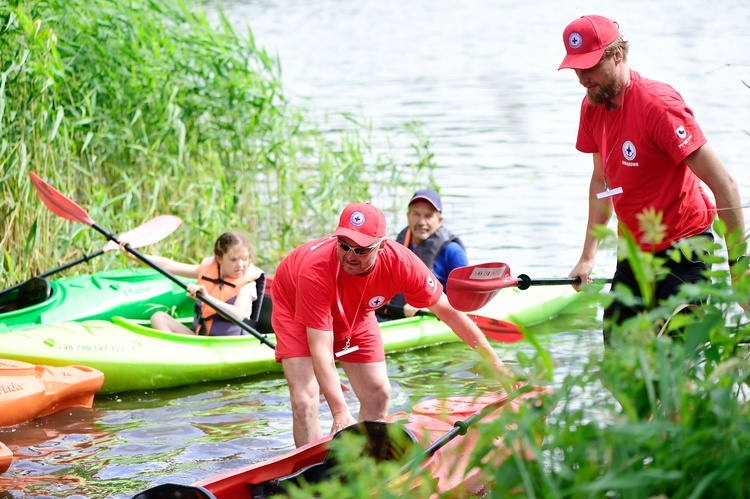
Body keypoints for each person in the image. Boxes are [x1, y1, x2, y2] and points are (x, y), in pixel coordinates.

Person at [558, 15, 747, 341]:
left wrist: (738, 268)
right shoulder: (592, 106)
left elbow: (724, 184)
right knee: (621, 374)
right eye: (576, 69)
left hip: (684, 248)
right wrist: (587, 257)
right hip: (634, 251)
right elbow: (600, 182)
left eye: (589, 67)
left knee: (673, 373)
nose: (582, 79)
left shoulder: (658, 106)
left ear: (617, 55)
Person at [271, 202, 513, 447]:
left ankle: (364, 460)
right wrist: (340, 412)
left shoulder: (403, 264)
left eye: (361, 250)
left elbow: (450, 314)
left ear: (382, 246)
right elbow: (321, 350)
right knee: (305, 400)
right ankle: (311, 478)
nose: (350, 256)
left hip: (357, 309)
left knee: (378, 393)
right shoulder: (314, 271)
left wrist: (497, 364)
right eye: (344, 246)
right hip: (294, 304)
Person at [119, 231, 264, 336]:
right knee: (158, 317)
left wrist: (207, 298)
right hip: (200, 338)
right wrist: (136, 257)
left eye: (245, 259)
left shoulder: (247, 284)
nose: (240, 265)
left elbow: (238, 314)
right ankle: (174, 354)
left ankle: (176, 353)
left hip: (228, 345)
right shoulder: (208, 270)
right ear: (219, 258)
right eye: (233, 259)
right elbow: (170, 266)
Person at [376, 189, 468, 320]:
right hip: (389, 314)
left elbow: (463, 299)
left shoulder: (453, 252)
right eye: (416, 214)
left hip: (427, 317)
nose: (421, 222)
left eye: (428, 216)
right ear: (408, 216)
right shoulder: (399, 244)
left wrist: (429, 306)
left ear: (440, 220)